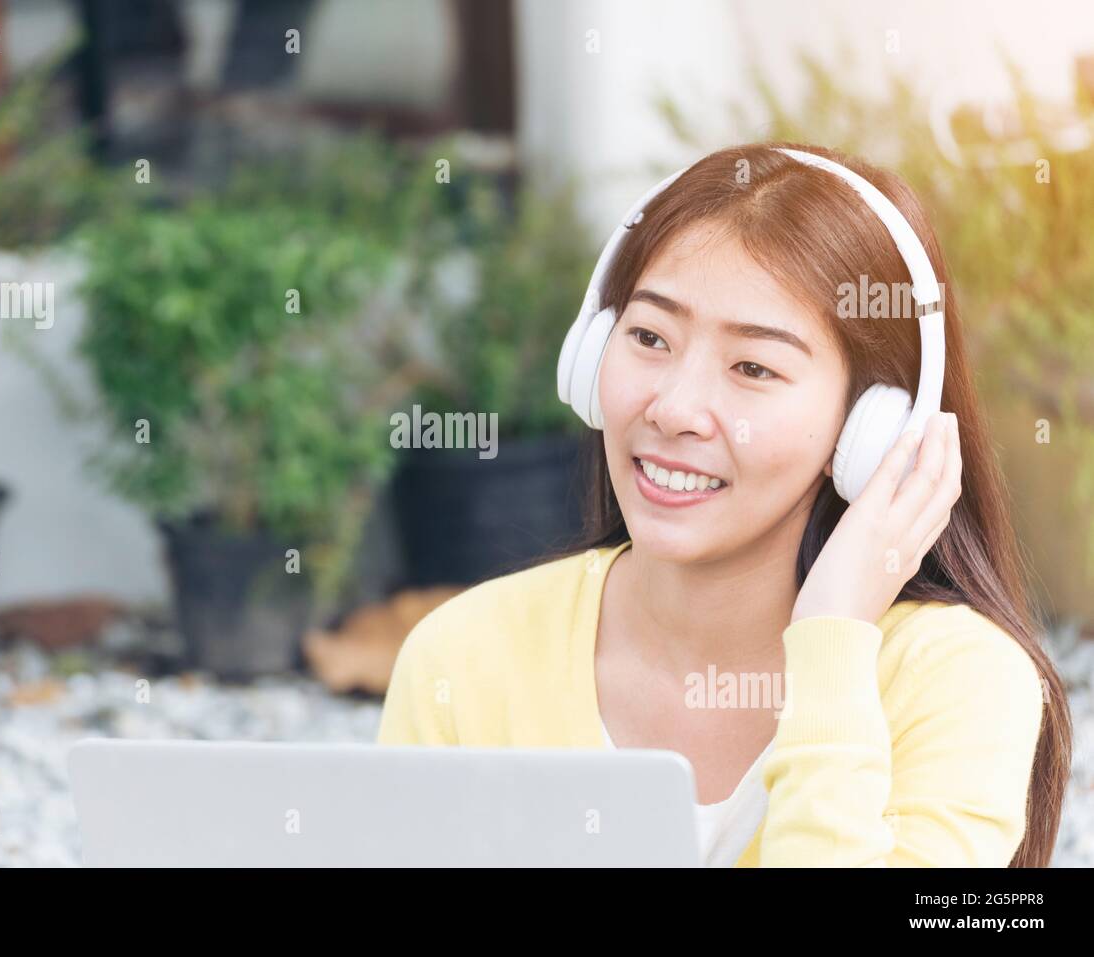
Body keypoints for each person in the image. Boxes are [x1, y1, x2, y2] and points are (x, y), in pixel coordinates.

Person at [377, 142, 1072, 867]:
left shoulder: (954, 679)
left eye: (753, 367)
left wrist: (831, 638)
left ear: (874, 425)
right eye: (649, 336)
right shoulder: (463, 656)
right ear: (590, 356)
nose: (675, 408)